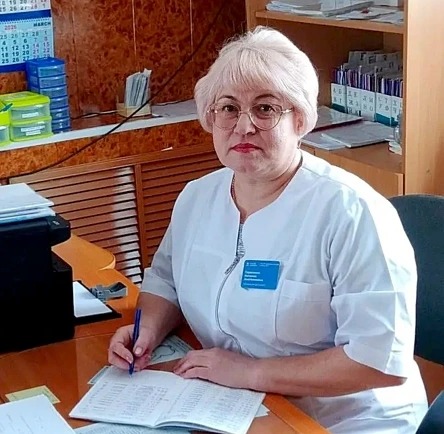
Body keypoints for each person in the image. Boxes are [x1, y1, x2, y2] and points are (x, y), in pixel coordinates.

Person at [108, 26, 428, 433]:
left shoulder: (353, 213)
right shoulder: (197, 198)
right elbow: (165, 281)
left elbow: (379, 362)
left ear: (300, 119)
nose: (243, 126)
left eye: (265, 108)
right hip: (238, 404)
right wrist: (147, 331)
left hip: (345, 421)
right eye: (228, 108)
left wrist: (251, 372)